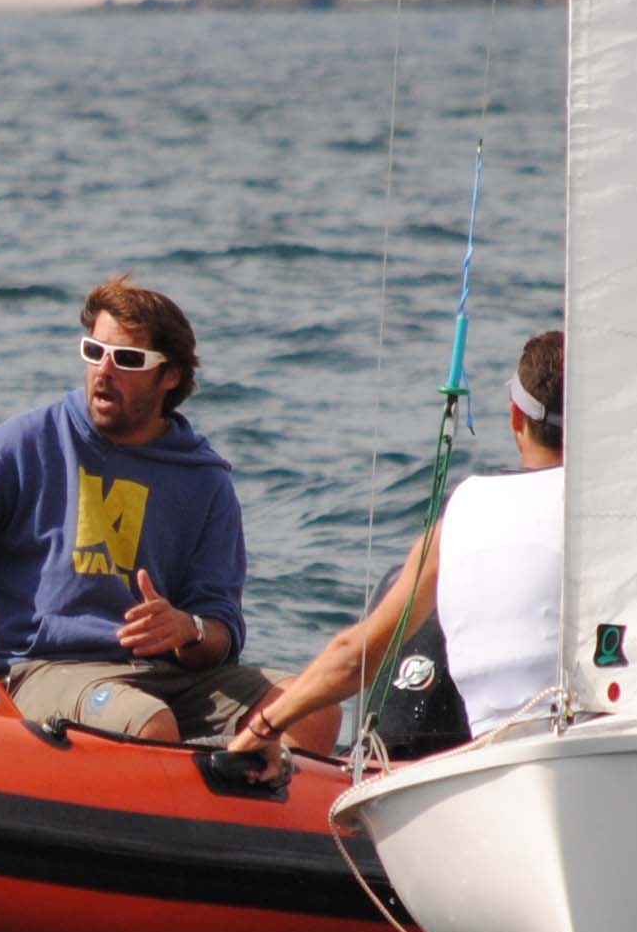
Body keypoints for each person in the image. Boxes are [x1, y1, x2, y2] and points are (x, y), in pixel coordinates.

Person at [0, 278, 267, 740]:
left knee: (306, 708)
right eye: (94, 351)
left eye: (126, 359)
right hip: (43, 669)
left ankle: (249, 784)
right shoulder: (19, 448)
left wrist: (187, 629)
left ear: (170, 375)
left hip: (167, 677)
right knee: (147, 722)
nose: (104, 371)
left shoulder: (206, 480)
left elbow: (221, 627)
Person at [231, 329, 566, 770]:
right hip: (601, 752)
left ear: (515, 417)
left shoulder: (457, 522)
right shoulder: (621, 516)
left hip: (492, 767)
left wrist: (264, 727)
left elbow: (355, 657)